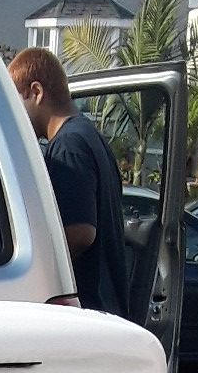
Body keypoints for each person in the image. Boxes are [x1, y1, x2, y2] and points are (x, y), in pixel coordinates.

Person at [8, 46, 130, 319]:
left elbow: (80, 233)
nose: (13, 115)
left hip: (87, 310)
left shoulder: (68, 146)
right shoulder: (90, 136)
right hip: (106, 308)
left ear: (36, 92)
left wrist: (35, 274)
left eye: (15, 102)